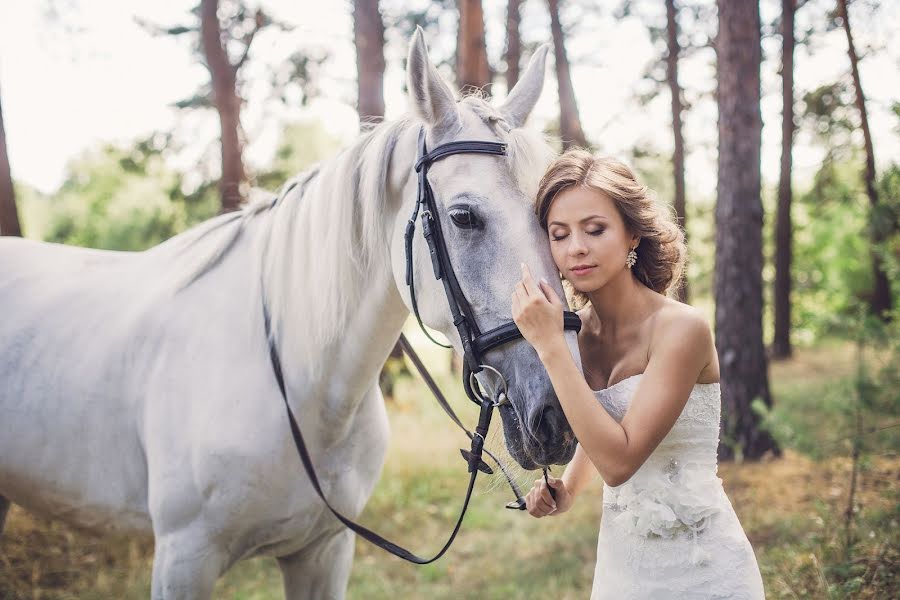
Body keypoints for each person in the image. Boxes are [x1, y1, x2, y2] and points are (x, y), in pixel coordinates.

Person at [512, 150, 765, 598]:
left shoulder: (681, 329)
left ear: (632, 234)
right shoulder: (578, 332)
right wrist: (567, 490)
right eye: (559, 234)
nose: (577, 248)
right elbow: (605, 423)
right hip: (622, 571)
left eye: (595, 229)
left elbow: (621, 460)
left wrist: (549, 346)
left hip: (703, 569)